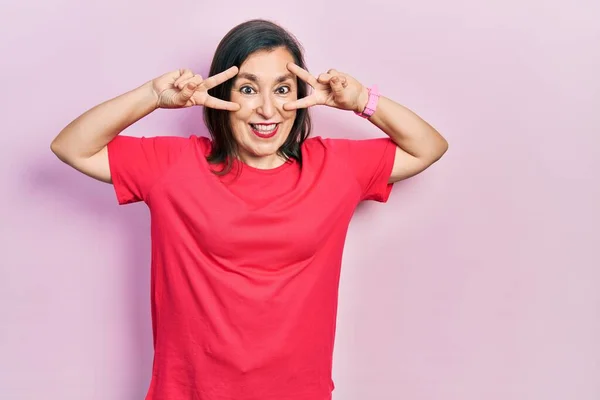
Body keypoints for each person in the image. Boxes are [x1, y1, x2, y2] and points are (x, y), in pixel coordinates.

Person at [51, 18, 448, 400]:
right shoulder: (173, 165)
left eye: (282, 89)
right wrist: (153, 96)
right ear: (223, 95)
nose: (266, 110)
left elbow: (428, 147)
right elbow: (71, 146)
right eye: (247, 89)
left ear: (300, 95)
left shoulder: (333, 168)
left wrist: (362, 100)